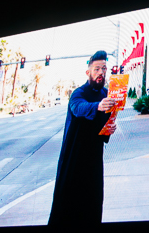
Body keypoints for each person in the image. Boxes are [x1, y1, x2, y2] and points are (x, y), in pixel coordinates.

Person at [48, 50, 117, 227]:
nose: (101, 72)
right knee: (67, 206)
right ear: (88, 72)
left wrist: (109, 128)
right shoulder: (78, 93)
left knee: (93, 204)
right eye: (97, 69)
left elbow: (103, 125)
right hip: (74, 158)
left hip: (94, 159)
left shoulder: (107, 93)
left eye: (104, 68)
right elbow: (79, 108)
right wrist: (98, 106)